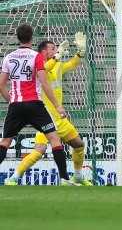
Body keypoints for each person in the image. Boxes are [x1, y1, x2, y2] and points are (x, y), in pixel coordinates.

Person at [5, 33, 92, 186]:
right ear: (44, 52)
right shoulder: (36, 65)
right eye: (53, 48)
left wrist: (81, 53)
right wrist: (57, 56)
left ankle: (77, 176)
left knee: (79, 145)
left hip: (60, 119)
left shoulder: (57, 65)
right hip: (44, 116)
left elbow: (71, 64)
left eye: (56, 48)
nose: (57, 49)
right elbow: (45, 68)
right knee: (39, 151)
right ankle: (13, 178)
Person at [0, 24, 72, 185]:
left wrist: (10, 100)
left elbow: (1, 85)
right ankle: (64, 178)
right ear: (31, 37)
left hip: (16, 106)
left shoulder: (8, 57)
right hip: (34, 105)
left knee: (5, 142)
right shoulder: (36, 56)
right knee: (54, 139)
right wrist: (58, 106)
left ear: (17, 37)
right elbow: (44, 82)